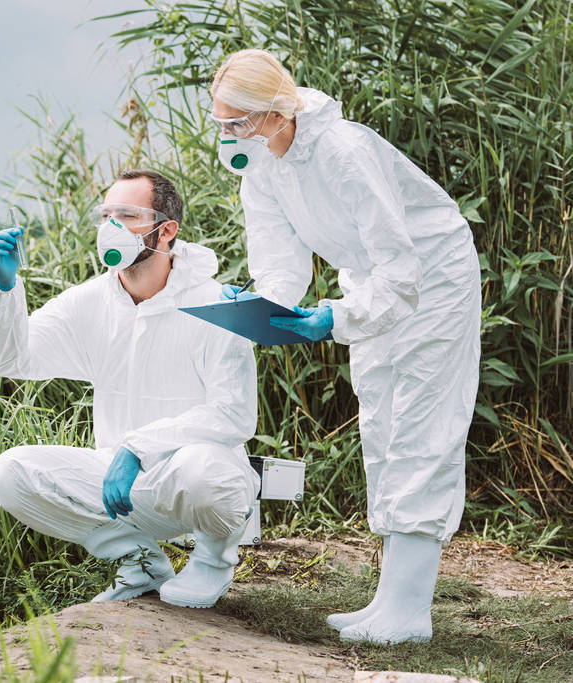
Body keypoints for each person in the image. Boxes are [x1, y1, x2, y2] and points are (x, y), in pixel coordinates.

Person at [207, 49, 481, 644]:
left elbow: (401, 265)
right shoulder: (261, 167)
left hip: (431, 277)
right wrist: (265, 308)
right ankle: (389, 601)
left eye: (237, 123)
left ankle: (410, 611)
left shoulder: (344, 152)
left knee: (420, 427)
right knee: (381, 422)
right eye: (220, 122)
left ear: (277, 113)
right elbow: (280, 264)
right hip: (371, 281)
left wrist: (335, 317)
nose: (227, 135)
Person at [0, 169, 260, 609]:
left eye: (127, 215)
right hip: (121, 487)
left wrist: (137, 448)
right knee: (11, 474)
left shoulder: (215, 306)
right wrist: (5, 288)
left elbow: (234, 414)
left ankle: (212, 560)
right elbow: (11, 360)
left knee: (203, 471)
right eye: (106, 214)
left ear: (166, 230)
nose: (111, 227)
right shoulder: (89, 302)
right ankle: (141, 562)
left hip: (194, 482)